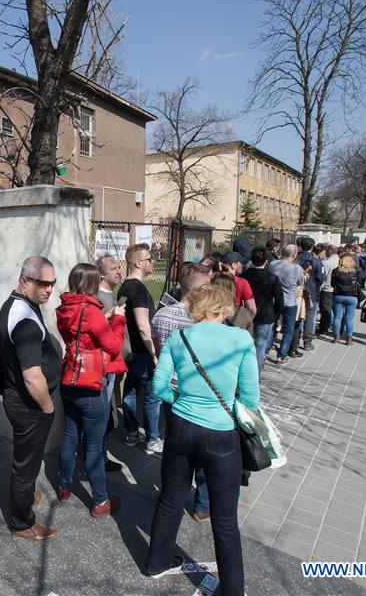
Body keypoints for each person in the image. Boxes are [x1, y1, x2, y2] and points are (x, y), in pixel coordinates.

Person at [145, 285, 259, 595]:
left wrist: (179, 399)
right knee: (224, 518)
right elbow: (250, 398)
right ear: (222, 309)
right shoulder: (240, 339)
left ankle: (156, 562)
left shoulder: (180, 338)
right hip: (221, 432)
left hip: (181, 425)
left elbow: (158, 387)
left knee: (170, 497)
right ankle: (233, 589)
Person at [0, 256, 61, 542]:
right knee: (25, 465)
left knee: (28, 460)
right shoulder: (24, 321)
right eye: (43, 283)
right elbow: (32, 376)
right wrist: (47, 407)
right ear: (25, 281)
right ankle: (22, 523)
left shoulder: (16, 305)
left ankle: (25, 496)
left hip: (20, 400)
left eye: (52, 283)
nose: (49, 289)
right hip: (29, 404)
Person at [54, 263, 126, 517]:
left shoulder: (65, 307)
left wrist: (104, 320)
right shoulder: (92, 311)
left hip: (69, 379)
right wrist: (117, 319)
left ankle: (64, 487)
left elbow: (79, 333)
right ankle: (100, 501)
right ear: (93, 284)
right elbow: (113, 346)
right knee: (94, 446)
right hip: (90, 382)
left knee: (70, 437)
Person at [150, 262, 212, 521]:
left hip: (172, 392)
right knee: (205, 452)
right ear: (204, 287)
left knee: (175, 447)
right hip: (202, 394)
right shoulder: (208, 319)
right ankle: (203, 505)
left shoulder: (162, 316)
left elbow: (157, 349)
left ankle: (171, 493)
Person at [118, 243, 159, 452]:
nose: (153, 262)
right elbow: (143, 325)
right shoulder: (139, 289)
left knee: (131, 390)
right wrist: (154, 353)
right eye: (149, 259)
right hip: (142, 351)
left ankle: (132, 433)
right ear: (138, 263)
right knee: (152, 395)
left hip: (130, 351)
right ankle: (152, 437)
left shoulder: (125, 286)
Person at [95, 254, 125, 473]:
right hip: (103, 368)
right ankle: (98, 459)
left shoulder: (112, 295)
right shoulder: (98, 298)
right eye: (114, 268)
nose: (119, 271)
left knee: (108, 413)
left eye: (119, 267)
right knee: (101, 415)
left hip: (113, 365)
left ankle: (99, 456)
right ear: (101, 274)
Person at [242, 247, 285, 375]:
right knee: (260, 346)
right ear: (266, 261)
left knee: (243, 345)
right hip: (266, 314)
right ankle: (255, 375)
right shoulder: (272, 278)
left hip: (244, 314)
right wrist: (276, 313)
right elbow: (279, 300)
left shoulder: (243, 276)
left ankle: (242, 373)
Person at [269, 244, 304, 364]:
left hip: (275, 299)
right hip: (290, 301)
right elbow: (300, 282)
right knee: (288, 329)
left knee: (272, 326)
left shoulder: (273, 264)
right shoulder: (297, 268)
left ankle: (265, 351)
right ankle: (282, 356)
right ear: (294, 255)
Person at [296, 237, 325, 351]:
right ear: (312, 247)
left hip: (296, 291)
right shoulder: (316, 261)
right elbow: (322, 278)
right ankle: (307, 342)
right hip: (311, 292)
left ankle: (294, 340)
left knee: (296, 316)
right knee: (309, 317)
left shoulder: (296, 258)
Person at [331, 253, 362, 345]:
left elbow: (333, 284)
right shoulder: (355, 271)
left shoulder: (336, 271)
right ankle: (349, 338)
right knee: (349, 318)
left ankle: (336, 337)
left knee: (337, 317)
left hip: (339, 295)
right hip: (352, 296)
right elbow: (360, 281)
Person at [221, 252, 256, 318]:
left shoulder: (215, 279)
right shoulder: (242, 282)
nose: (243, 266)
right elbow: (252, 309)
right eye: (241, 263)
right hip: (234, 320)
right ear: (234, 265)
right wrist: (246, 322)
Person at [319, 245, 339, 336]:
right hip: (338, 289)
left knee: (326, 310)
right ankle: (338, 329)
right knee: (337, 311)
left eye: (326, 251)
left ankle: (324, 328)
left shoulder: (327, 262)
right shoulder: (341, 261)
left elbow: (323, 277)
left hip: (327, 289)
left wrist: (320, 288)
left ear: (330, 251)